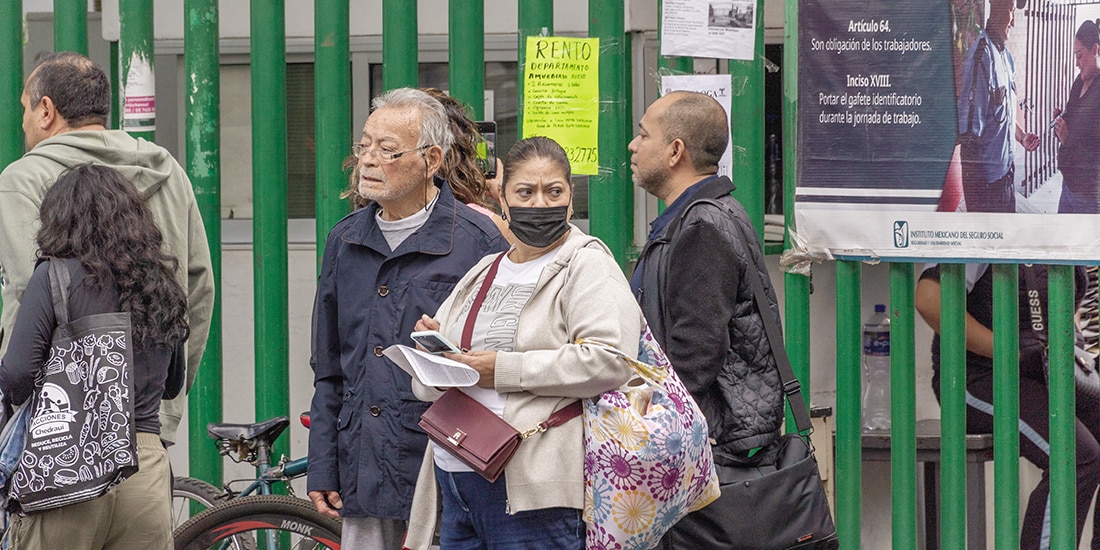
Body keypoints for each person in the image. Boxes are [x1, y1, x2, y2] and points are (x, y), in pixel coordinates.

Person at [403, 136, 640, 549]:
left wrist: (501, 369)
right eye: (525, 192)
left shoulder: (586, 263)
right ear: (503, 199)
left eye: (554, 192)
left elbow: (610, 360)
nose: (539, 204)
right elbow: (429, 385)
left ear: (570, 200)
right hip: (456, 476)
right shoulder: (484, 270)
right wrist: (434, 359)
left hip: (530, 488)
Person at [307, 87, 508, 549]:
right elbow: (330, 367)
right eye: (365, 145)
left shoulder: (478, 242)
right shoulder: (346, 241)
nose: (369, 161)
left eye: (388, 150)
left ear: (431, 159)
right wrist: (322, 463)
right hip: (363, 467)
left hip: (446, 466)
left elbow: (505, 357)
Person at [0, 52, 214, 446]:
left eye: (25, 109)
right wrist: (168, 402)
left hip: (57, 425)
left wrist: (16, 405)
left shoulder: (24, 179)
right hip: (146, 416)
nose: (24, 123)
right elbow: (197, 289)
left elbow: (22, 294)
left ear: (46, 110)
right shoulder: (167, 169)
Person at [0, 164, 189, 548]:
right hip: (145, 463)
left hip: (68, 460)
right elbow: (172, 385)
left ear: (59, 220)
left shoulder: (53, 277)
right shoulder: (160, 285)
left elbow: (18, 376)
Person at [628, 91, 785, 547]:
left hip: (711, 454)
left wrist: (648, 428)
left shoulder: (700, 226)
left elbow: (695, 350)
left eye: (643, 134)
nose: (634, 146)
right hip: (714, 446)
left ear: (675, 151)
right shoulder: (706, 216)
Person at [916, 263, 1100, 549]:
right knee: (1074, 457)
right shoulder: (979, 220)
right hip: (975, 379)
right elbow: (929, 300)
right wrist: (1010, 352)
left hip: (1041, 372)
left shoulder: (1064, 221)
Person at [956, 0, 1040, 213]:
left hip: (1007, 180)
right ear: (998, 7)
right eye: (1012, 10)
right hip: (988, 191)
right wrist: (977, 210)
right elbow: (968, 141)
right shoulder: (981, 57)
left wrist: (1021, 137)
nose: (1014, 20)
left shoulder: (1006, 57)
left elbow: (1004, 114)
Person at [1053, 19, 1100, 214]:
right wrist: (1060, 121)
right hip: (1068, 185)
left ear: (1095, 50)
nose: (1077, 63)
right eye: (1075, 56)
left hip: (1087, 193)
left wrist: (1067, 138)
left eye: (1080, 56)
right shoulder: (1078, 83)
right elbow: (1072, 119)